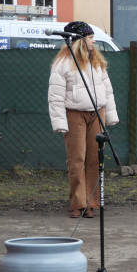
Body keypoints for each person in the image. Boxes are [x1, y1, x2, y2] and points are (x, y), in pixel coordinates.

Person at [47, 21, 120, 218]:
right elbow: (55, 97)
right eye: (89, 37)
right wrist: (60, 123)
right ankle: (77, 203)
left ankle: (91, 203)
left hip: (97, 113)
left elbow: (107, 89)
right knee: (77, 159)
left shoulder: (96, 62)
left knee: (94, 159)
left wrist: (110, 116)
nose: (93, 41)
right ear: (78, 41)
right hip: (74, 115)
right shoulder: (62, 64)